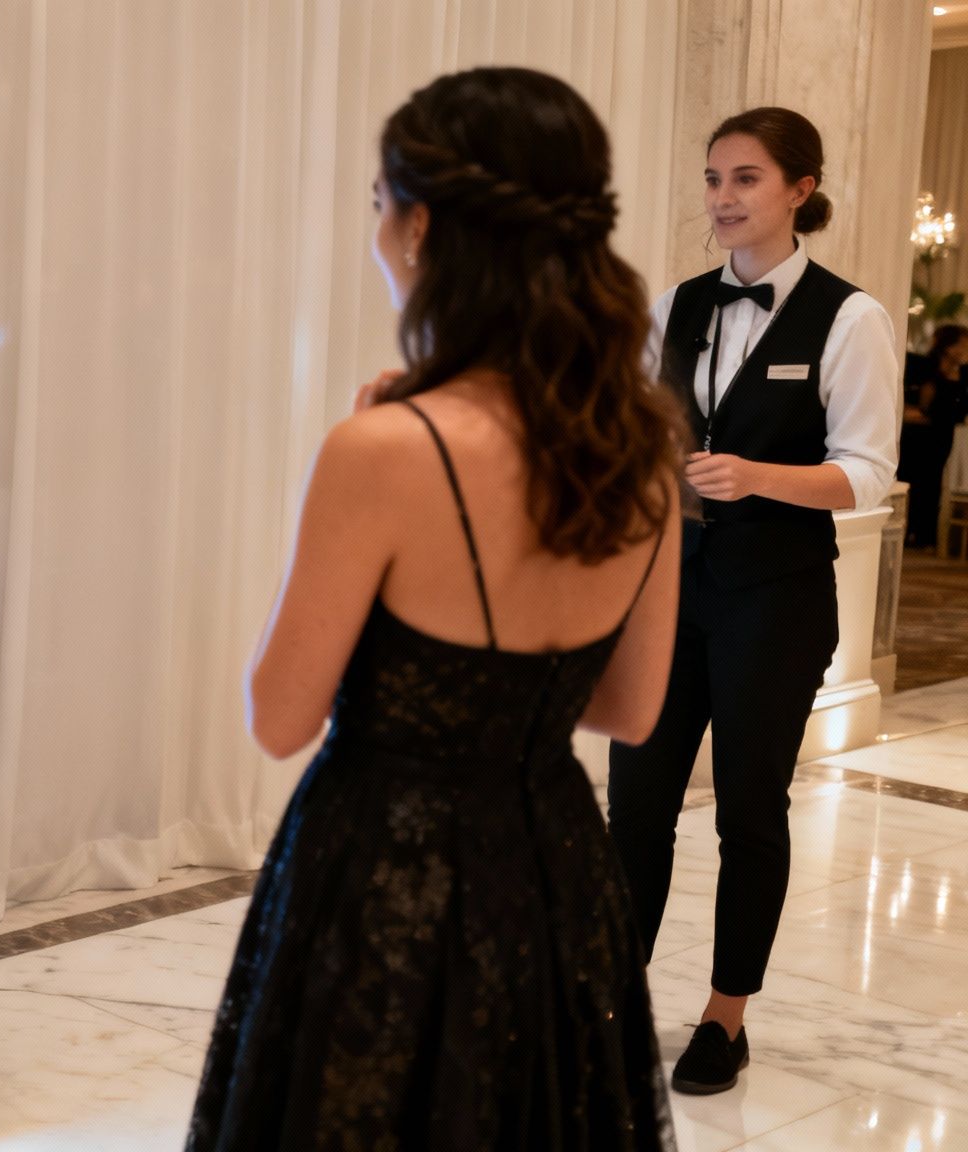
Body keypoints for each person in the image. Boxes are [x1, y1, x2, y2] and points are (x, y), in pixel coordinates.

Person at [188, 67, 681, 1150]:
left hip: (383, 874)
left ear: (419, 229)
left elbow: (277, 718)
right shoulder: (642, 456)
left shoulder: (381, 450)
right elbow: (632, 711)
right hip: (554, 869)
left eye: (376, 205)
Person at [606, 108, 898, 1096]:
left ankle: (723, 1018)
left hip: (773, 599)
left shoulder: (849, 319)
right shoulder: (676, 306)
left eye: (743, 179)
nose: (720, 199)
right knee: (633, 808)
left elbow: (865, 475)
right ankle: (608, 999)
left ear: (796, 191)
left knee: (747, 812)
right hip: (664, 593)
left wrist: (757, 476)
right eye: (710, 179)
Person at [899, 323, 968, 547]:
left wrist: (926, 414)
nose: (964, 348)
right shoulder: (922, 365)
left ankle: (923, 535)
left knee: (931, 483)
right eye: (961, 343)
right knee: (908, 479)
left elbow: (956, 414)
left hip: (939, 436)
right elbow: (906, 404)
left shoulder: (964, 375)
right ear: (948, 345)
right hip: (914, 436)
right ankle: (905, 529)